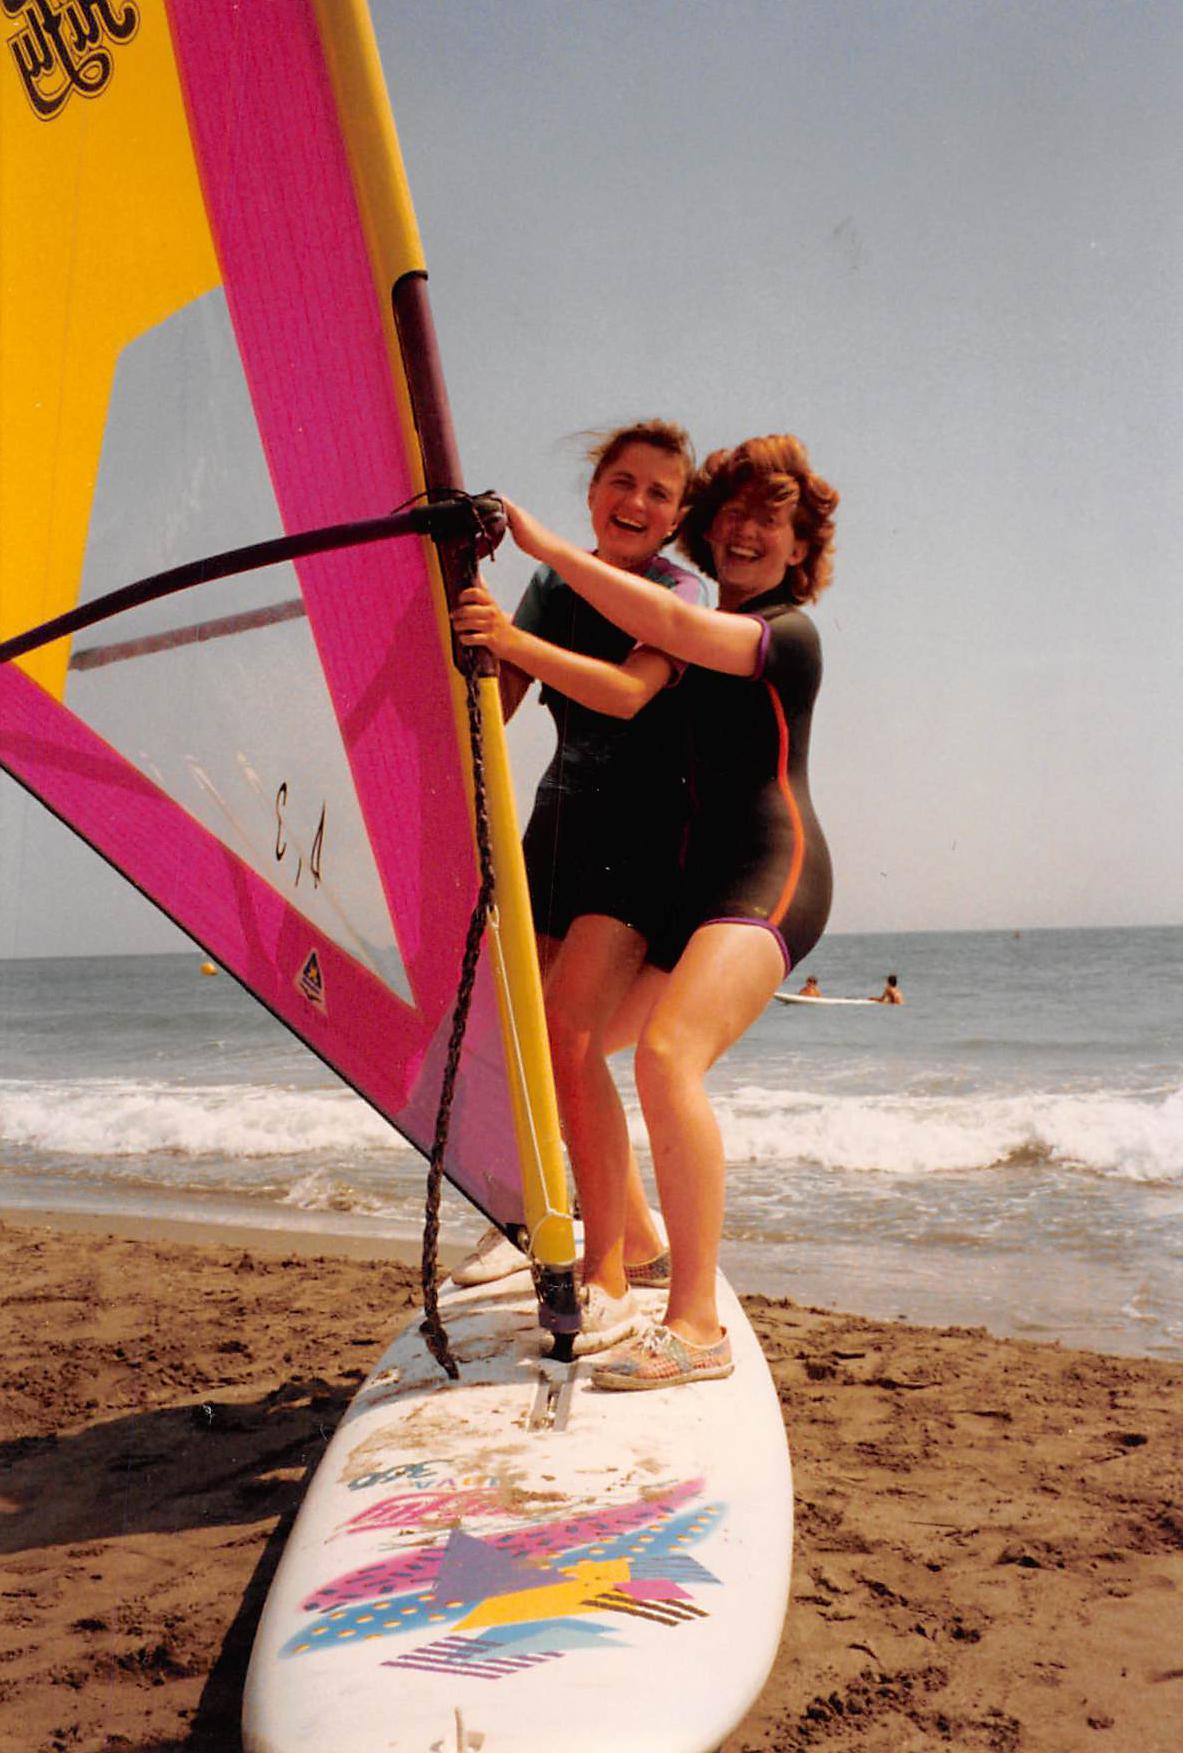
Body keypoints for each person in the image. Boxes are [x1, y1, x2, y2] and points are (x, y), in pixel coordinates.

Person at [457, 433, 838, 1388]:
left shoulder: (778, 630)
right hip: (687, 882)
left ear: (800, 548)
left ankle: (695, 1323)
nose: (747, 532)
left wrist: (542, 553)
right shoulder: (701, 611)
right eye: (735, 515)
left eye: (772, 521)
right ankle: (631, 1239)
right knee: (562, 1049)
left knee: (668, 1055)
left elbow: (643, 651)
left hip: (769, 874)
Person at [452, 421, 705, 1352]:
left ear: (679, 516)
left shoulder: (683, 591)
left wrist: (512, 632)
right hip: (555, 826)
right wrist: (460, 622)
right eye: (621, 482)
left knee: (568, 1038)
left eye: (659, 494)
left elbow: (627, 691)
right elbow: (499, 698)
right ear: (592, 488)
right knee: (526, 1038)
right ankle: (620, 1232)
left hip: (642, 841)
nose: (636, 503)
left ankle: (605, 1272)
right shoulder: (554, 582)